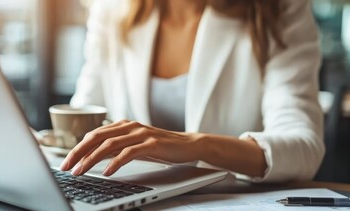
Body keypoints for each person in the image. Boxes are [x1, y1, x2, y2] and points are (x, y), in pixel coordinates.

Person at [59, 0, 325, 183]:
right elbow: (83, 118)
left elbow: (304, 149)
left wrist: (197, 145)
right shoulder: (112, 9)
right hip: (129, 205)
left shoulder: (278, 9)